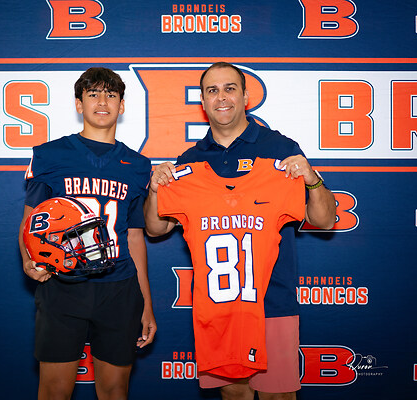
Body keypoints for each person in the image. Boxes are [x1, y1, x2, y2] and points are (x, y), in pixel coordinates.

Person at [144, 62, 336, 400]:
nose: (222, 97)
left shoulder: (280, 149)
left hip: (272, 302)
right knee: (234, 394)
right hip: (220, 307)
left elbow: (324, 220)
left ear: (246, 97)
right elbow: (155, 228)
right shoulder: (190, 161)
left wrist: (312, 180)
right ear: (203, 101)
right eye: (212, 90)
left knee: (279, 396)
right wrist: (156, 189)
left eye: (230, 88)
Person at [18, 67, 156, 400]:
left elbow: (134, 236)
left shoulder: (139, 165)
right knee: (54, 390)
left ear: (122, 105)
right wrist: (28, 260)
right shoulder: (50, 154)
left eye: (111, 95)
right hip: (63, 284)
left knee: (114, 390)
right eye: (93, 94)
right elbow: (29, 222)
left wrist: (146, 303)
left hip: (119, 287)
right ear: (79, 104)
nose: (102, 102)